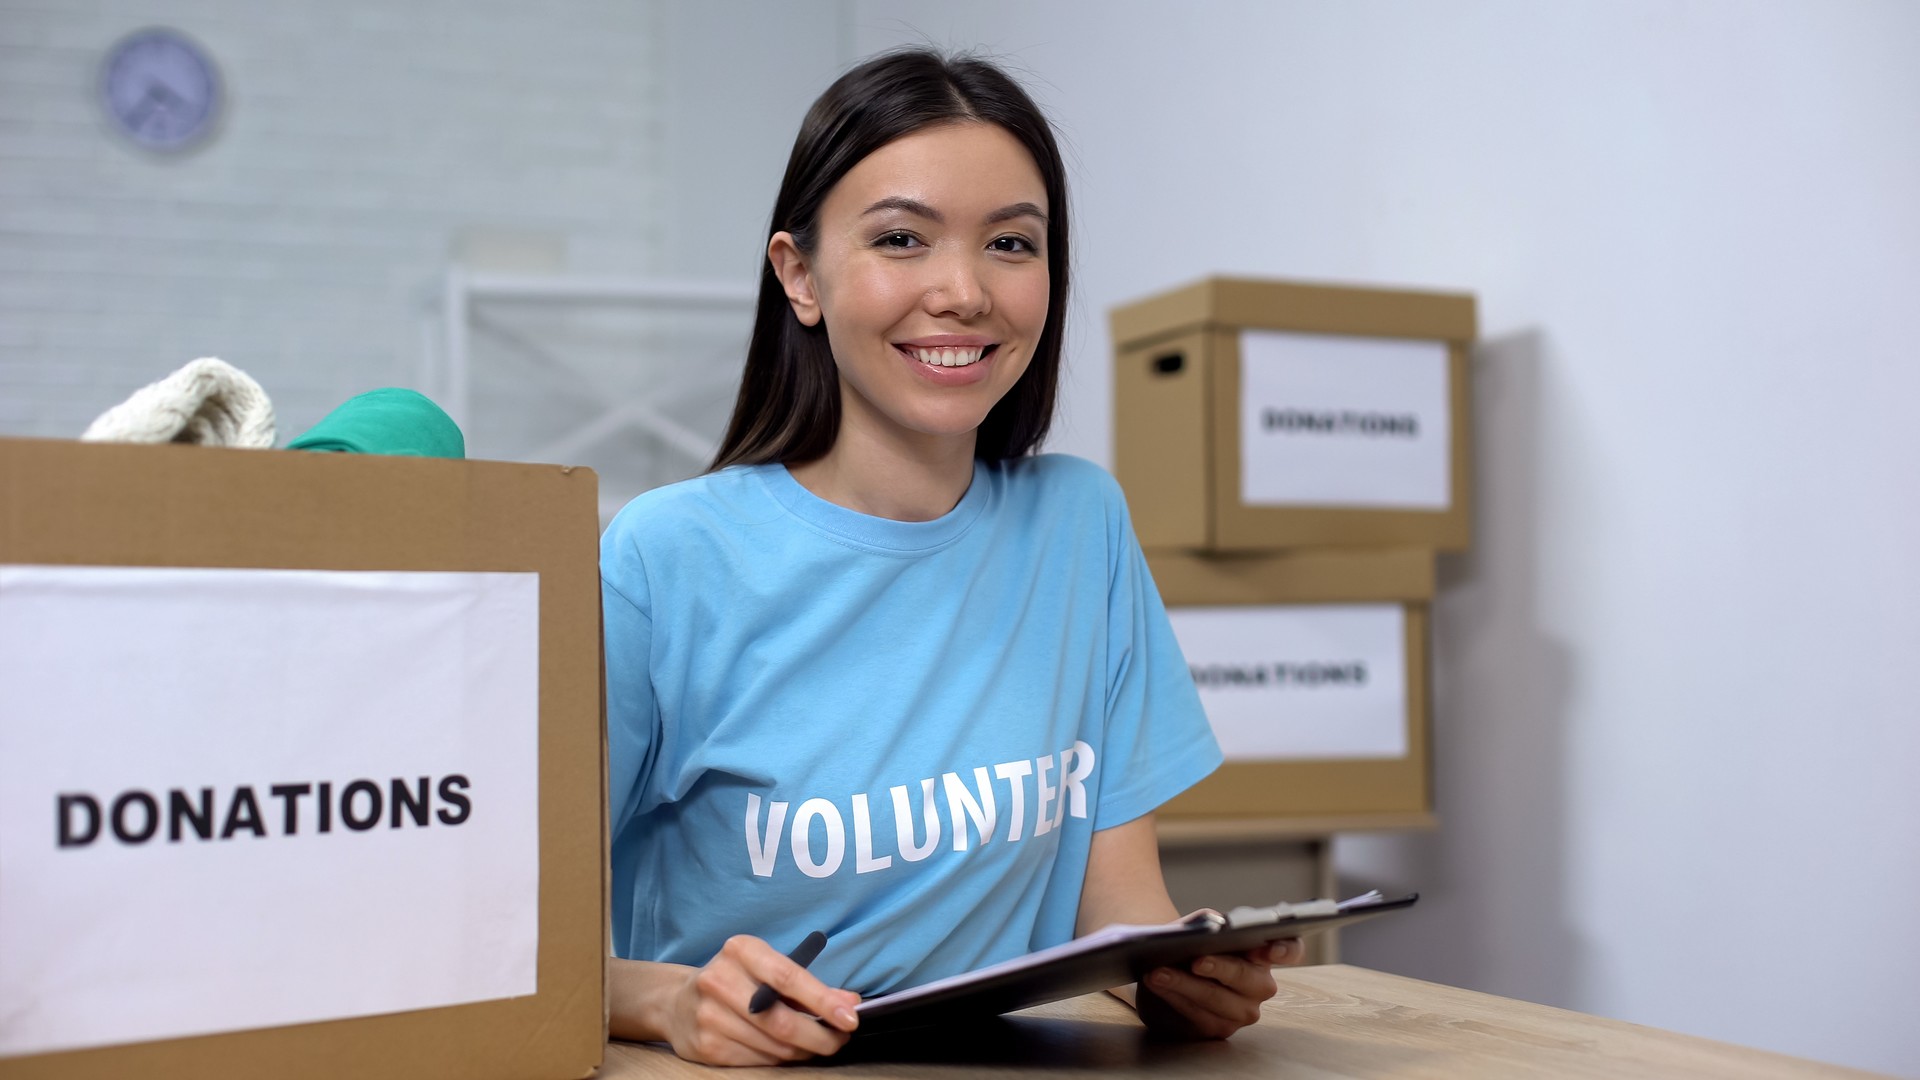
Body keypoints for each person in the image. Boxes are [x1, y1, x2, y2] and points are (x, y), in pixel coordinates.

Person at [601, 47, 1299, 1066]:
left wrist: (1175, 977)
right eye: (901, 238)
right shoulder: (662, 559)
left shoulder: (1081, 526)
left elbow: (1121, 912)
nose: (964, 291)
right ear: (800, 275)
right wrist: (667, 1002)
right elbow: (510, 941)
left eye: (1012, 244)